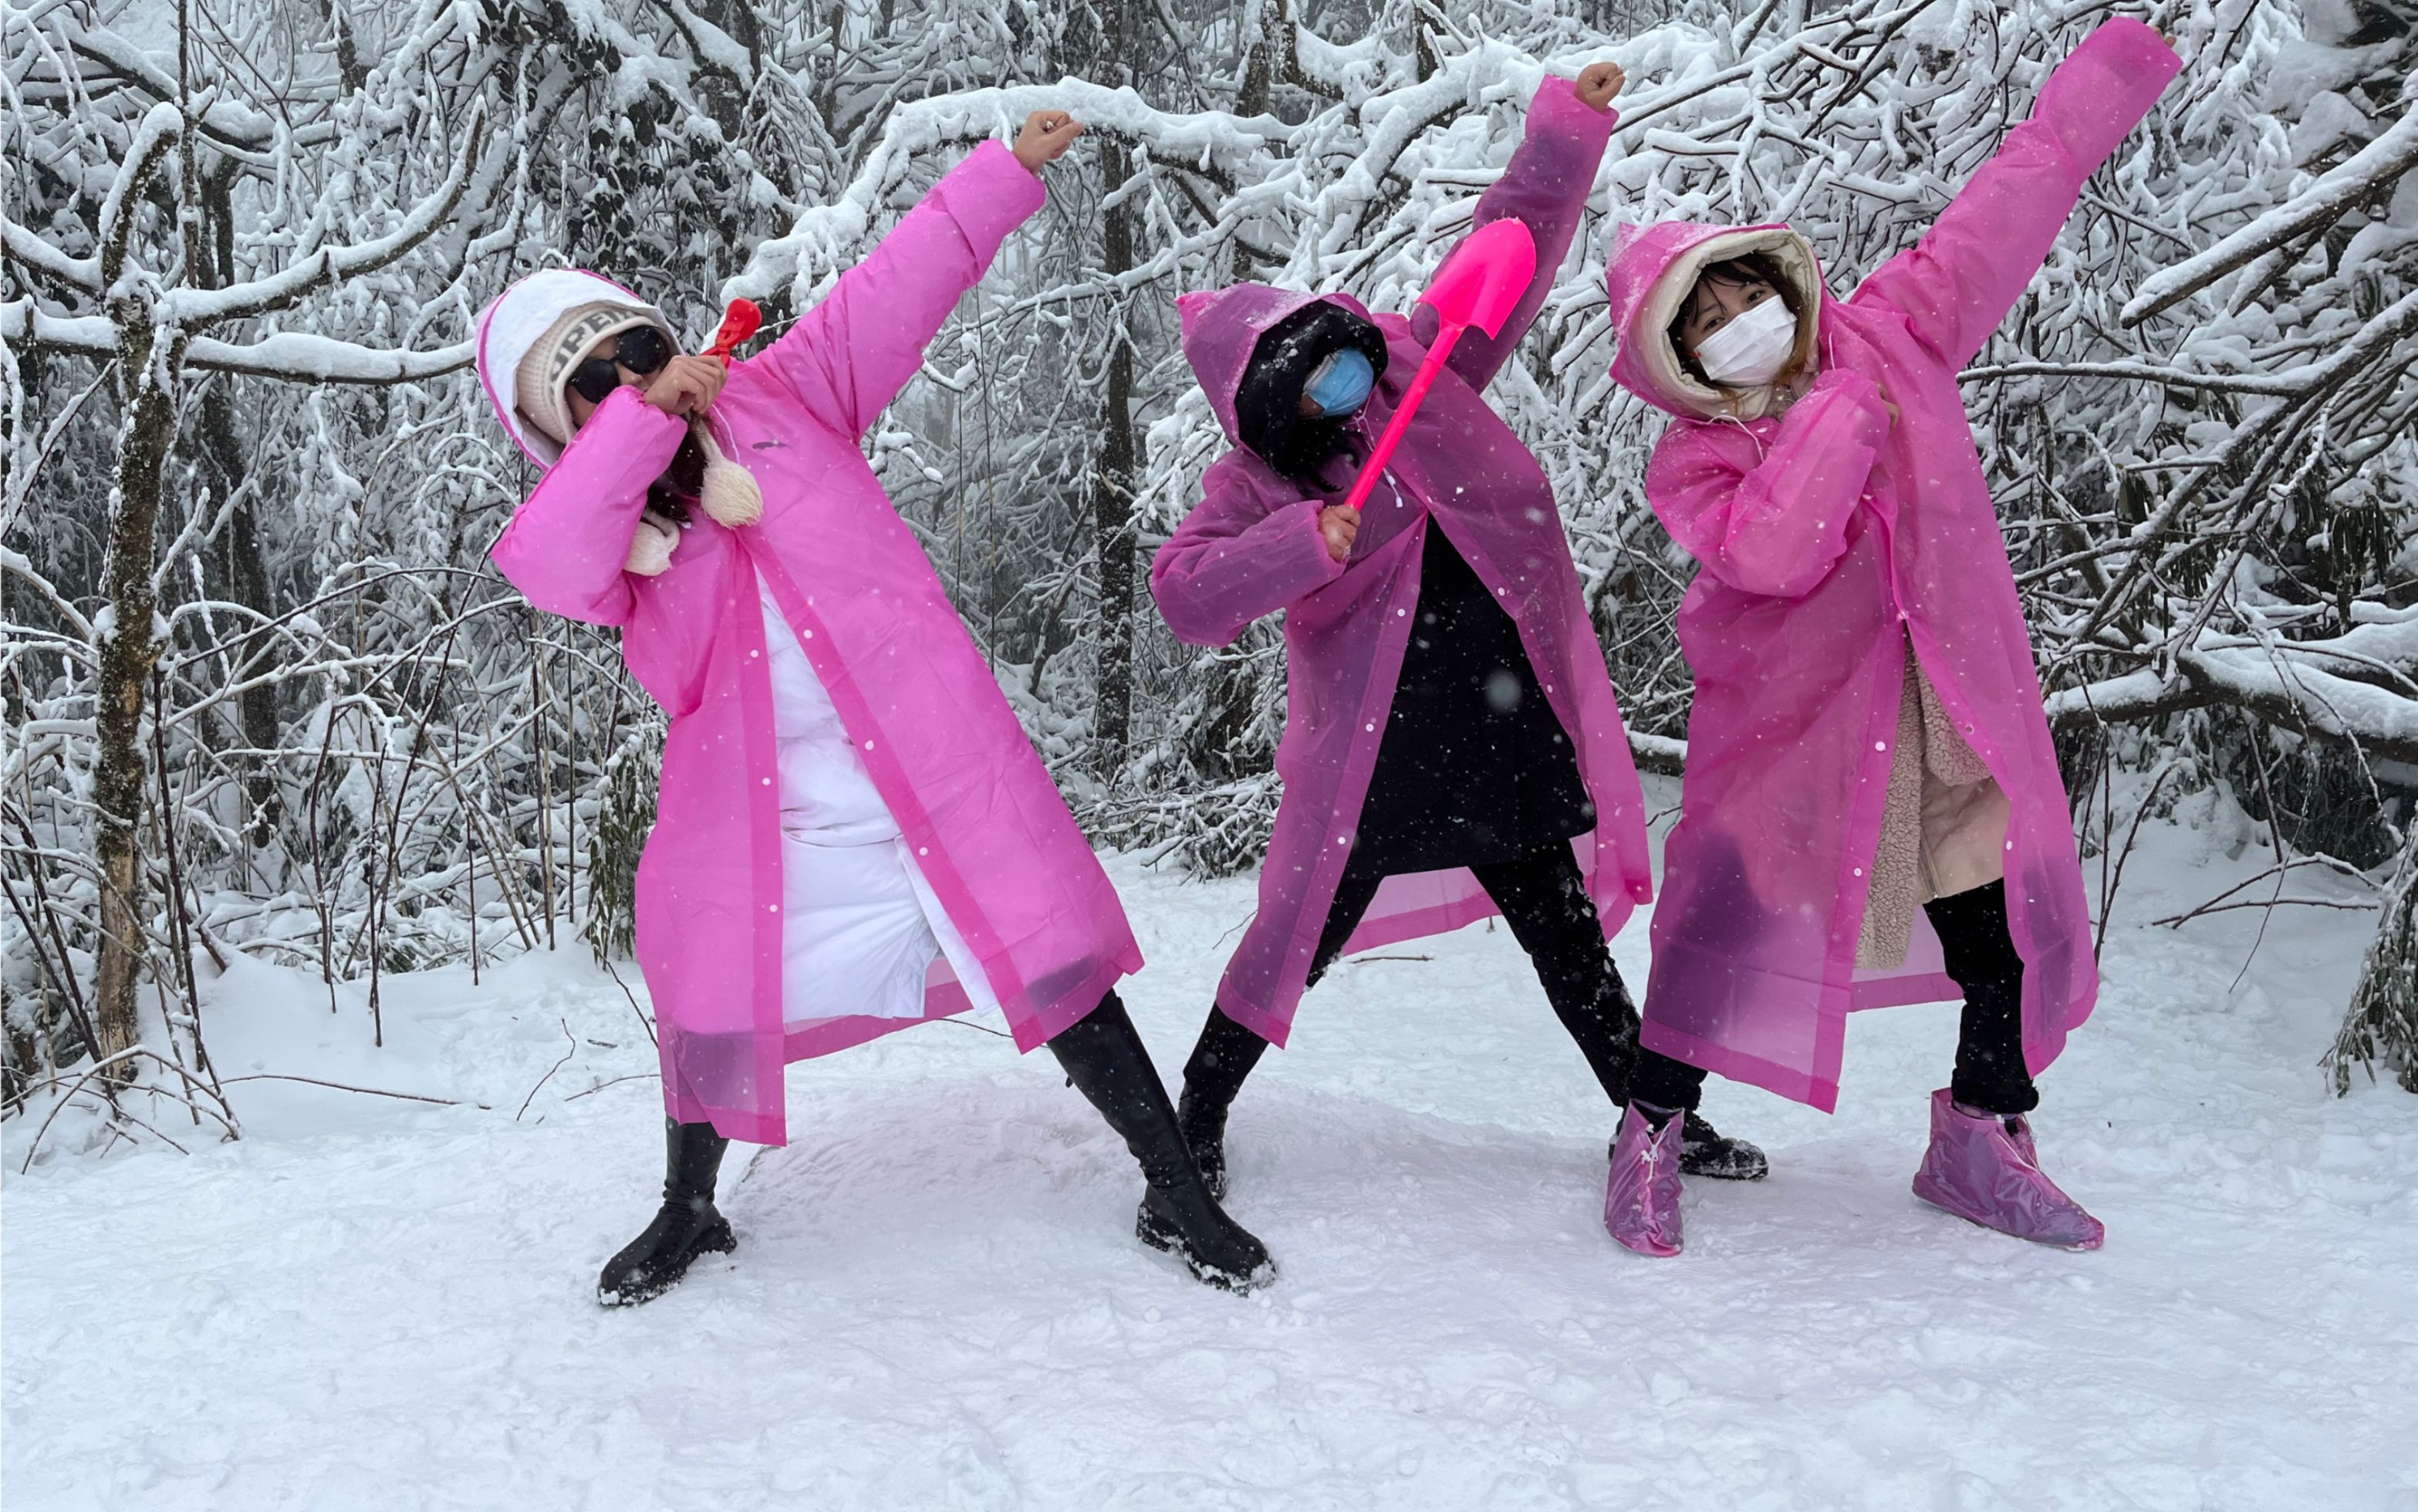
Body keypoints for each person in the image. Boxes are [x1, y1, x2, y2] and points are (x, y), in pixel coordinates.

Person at [475, 110, 1273, 1304]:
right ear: (561, 427)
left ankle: (1173, 1184)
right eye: (592, 384)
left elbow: (900, 281)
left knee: (1050, 960)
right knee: (712, 1002)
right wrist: (644, 427)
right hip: (768, 821)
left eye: (639, 348)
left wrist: (1000, 173)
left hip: (932, 766)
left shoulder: (788, 394)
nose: (634, 378)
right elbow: (537, 561)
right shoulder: (609, 538)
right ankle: (687, 1211)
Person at [1596, 19, 2183, 1256]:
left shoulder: (1896, 328)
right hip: (1788, 740)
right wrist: (1831, 419)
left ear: (1779, 279)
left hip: (1944, 707)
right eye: (1701, 319)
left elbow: (2014, 192)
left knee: (2000, 936)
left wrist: (2114, 69)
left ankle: (1978, 1136)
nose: (1738, 319)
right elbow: (1772, 553)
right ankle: (1650, 1127)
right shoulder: (1693, 457)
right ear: (1675, 358)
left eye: (1742, 288)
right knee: (1719, 942)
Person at [1151, 61, 1768, 1211]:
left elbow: (1513, 239)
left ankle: (1655, 1120)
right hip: (1372, 754)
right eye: (1313, 387)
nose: (1345, 388)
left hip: (1496, 717)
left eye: (1341, 355)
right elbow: (1183, 592)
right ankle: (1198, 1110)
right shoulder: (1256, 483)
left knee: (1563, 935)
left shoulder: (1418, 375)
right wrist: (1299, 544)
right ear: (1269, 415)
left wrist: (1569, 122)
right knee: (1293, 936)